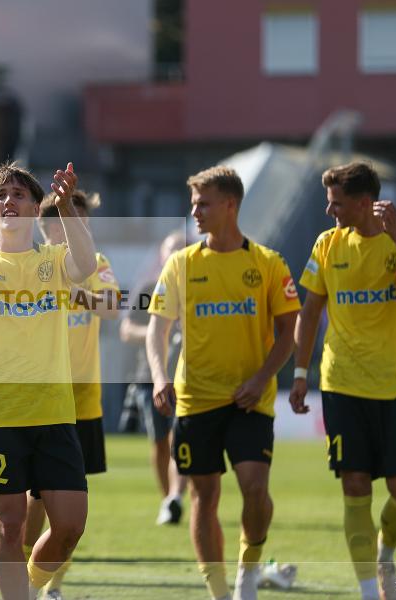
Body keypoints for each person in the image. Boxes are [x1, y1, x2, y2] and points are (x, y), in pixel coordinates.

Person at [147, 166, 300, 600]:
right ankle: (219, 593)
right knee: (204, 497)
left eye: (203, 203)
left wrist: (261, 378)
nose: (194, 211)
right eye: (193, 203)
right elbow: (157, 331)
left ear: (230, 205)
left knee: (255, 489)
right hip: (195, 400)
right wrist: (160, 377)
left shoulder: (268, 264)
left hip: (251, 400)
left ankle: (248, 574)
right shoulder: (181, 264)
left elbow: (290, 331)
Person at [289, 162, 396, 600]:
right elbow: (310, 312)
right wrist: (300, 374)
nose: (329, 210)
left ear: (363, 202)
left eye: (336, 202)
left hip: (394, 386)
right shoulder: (327, 244)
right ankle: (371, 591)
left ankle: (385, 552)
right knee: (354, 485)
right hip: (342, 383)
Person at [0, 161, 97, 600]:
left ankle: (30, 589)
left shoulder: (52, 261)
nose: (9, 200)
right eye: (0, 193)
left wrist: (68, 206)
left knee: (70, 525)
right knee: (9, 526)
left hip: (53, 411)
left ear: (37, 209)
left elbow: (86, 265)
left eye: (19, 195)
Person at [23, 189, 119, 599]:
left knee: (69, 504)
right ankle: (26, 578)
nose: (70, 229)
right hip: (38, 400)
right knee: (33, 504)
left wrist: (74, 291)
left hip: (82, 403)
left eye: (78, 222)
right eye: (62, 221)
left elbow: (112, 308)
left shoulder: (96, 264)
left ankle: (53, 588)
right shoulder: (32, 265)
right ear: (44, 225)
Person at [119, 232, 189, 525]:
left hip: (187, 377)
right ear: (162, 257)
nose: (175, 256)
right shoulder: (149, 288)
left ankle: (176, 496)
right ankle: (168, 499)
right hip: (150, 377)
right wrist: (158, 334)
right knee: (160, 442)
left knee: (181, 439)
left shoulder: (196, 288)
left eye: (181, 251)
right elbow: (126, 330)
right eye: (170, 251)